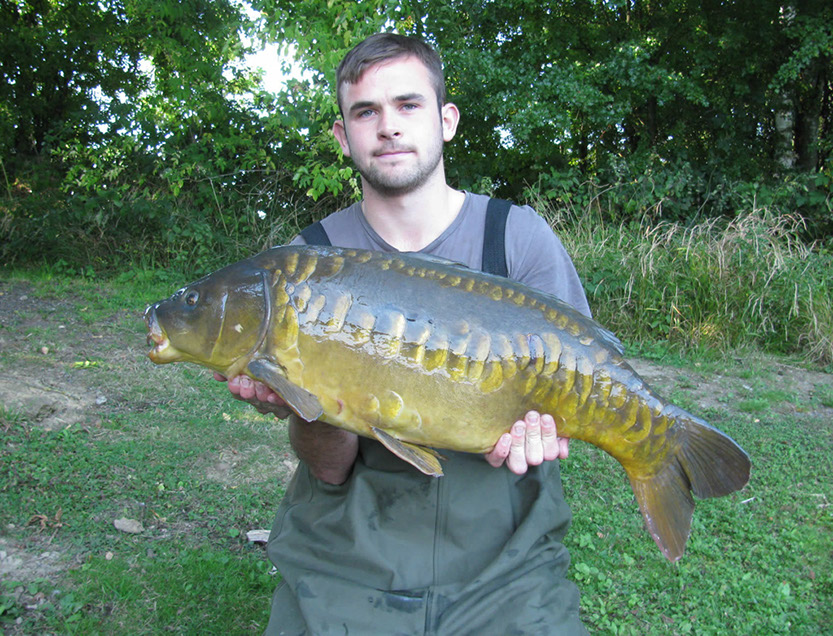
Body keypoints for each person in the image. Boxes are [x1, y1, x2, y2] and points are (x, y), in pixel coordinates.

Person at [219, 33, 591, 635]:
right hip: (349, 553)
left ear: (446, 121)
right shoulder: (300, 265)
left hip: (505, 561)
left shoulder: (516, 238)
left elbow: (580, 376)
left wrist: (546, 430)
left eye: (408, 105)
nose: (388, 126)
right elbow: (330, 469)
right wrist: (308, 403)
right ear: (343, 136)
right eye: (366, 111)